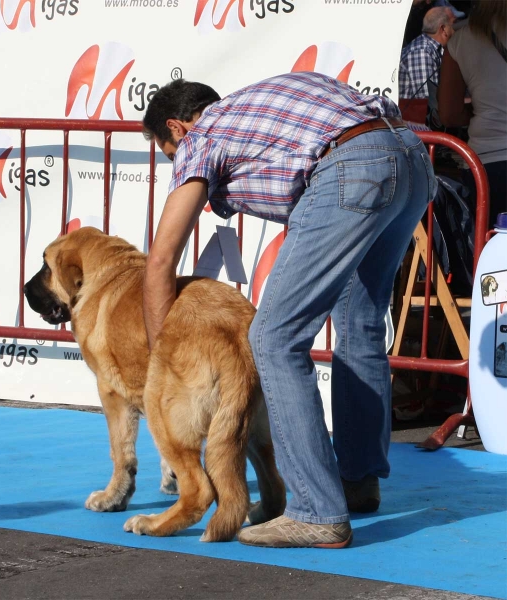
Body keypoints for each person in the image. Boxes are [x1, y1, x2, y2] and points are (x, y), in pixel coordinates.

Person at [141, 71, 436, 548]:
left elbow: (159, 263)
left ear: (177, 129)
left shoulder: (203, 135)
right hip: (410, 158)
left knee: (274, 338)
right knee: (359, 323)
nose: (178, 168)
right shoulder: (255, 110)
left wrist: (164, 369)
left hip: (353, 166)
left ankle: (317, 510)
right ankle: (357, 482)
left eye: (169, 156)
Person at [437, 0, 507, 228]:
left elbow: (449, 113)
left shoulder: (461, 39)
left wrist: (480, 113)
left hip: (488, 163)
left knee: (491, 254)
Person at [399, 7, 456, 101]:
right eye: (454, 24)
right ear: (443, 29)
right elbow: (429, 101)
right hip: (413, 115)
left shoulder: (432, 49)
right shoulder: (422, 52)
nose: (457, 29)